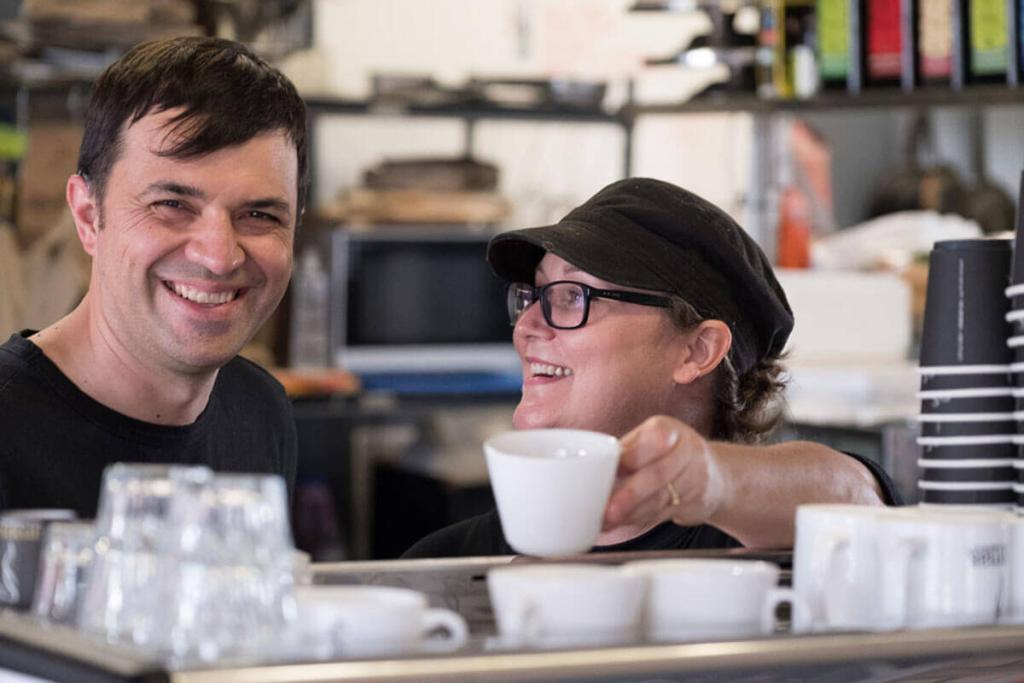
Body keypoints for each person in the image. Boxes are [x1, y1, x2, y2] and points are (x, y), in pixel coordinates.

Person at [404, 177, 900, 558]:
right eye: (533, 295)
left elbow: (858, 501)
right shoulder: (444, 565)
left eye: (573, 296)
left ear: (697, 351)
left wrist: (709, 479)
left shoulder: (763, 558)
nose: (528, 326)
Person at [0, 36, 308, 516]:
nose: (219, 257)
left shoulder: (261, 411)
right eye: (172, 206)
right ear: (87, 216)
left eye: (259, 215)